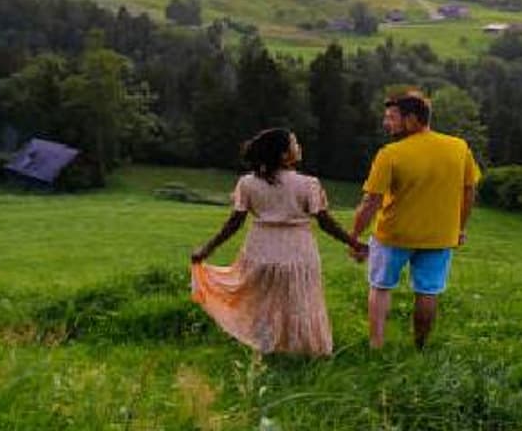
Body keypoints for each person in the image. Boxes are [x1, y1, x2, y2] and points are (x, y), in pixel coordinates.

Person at [190, 128, 367, 357]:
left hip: (260, 252)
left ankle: (266, 349)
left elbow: (234, 223)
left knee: (262, 304)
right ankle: (304, 351)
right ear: (284, 155)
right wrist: (354, 243)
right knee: (300, 304)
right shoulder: (308, 184)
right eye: (294, 144)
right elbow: (325, 222)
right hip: (298, 254)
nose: (299, 147)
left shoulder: (247, 183)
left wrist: (207, 249)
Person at [350, 90, 480, 350]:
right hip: (440, 237)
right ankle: (419, 347)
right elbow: (469, 192)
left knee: (380, 287)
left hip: (393, 235)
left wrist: (353, 236)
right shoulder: (459, 147)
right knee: (428, 292)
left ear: (411, 119)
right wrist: (459, 228)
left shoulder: (390, 153)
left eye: (391, 118)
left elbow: (371, 201)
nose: (386, 123)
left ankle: (376, 345)